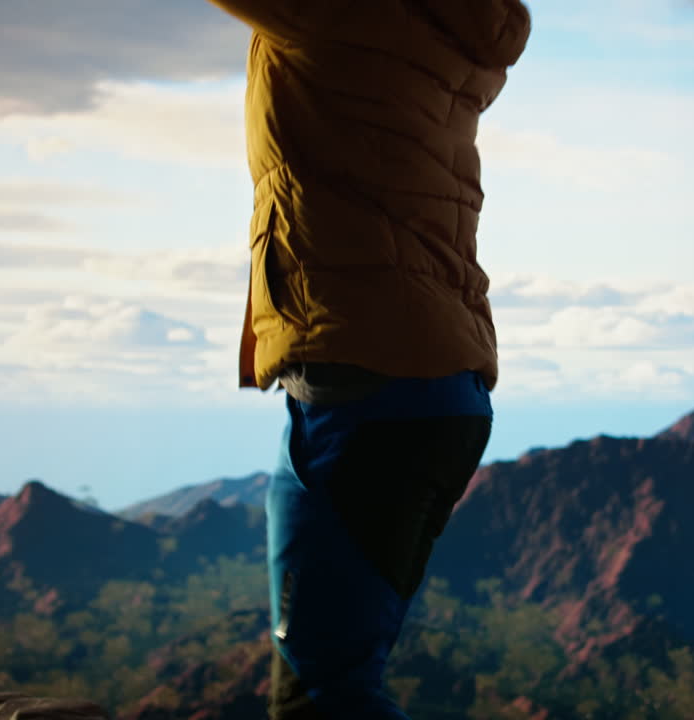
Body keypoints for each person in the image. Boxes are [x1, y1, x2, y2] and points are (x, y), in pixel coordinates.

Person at [202, 2, 531, 717]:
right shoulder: (455, 24)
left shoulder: (343, 11)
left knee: (324, 694)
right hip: (438, 384)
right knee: (328, 680)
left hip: (364, 389)